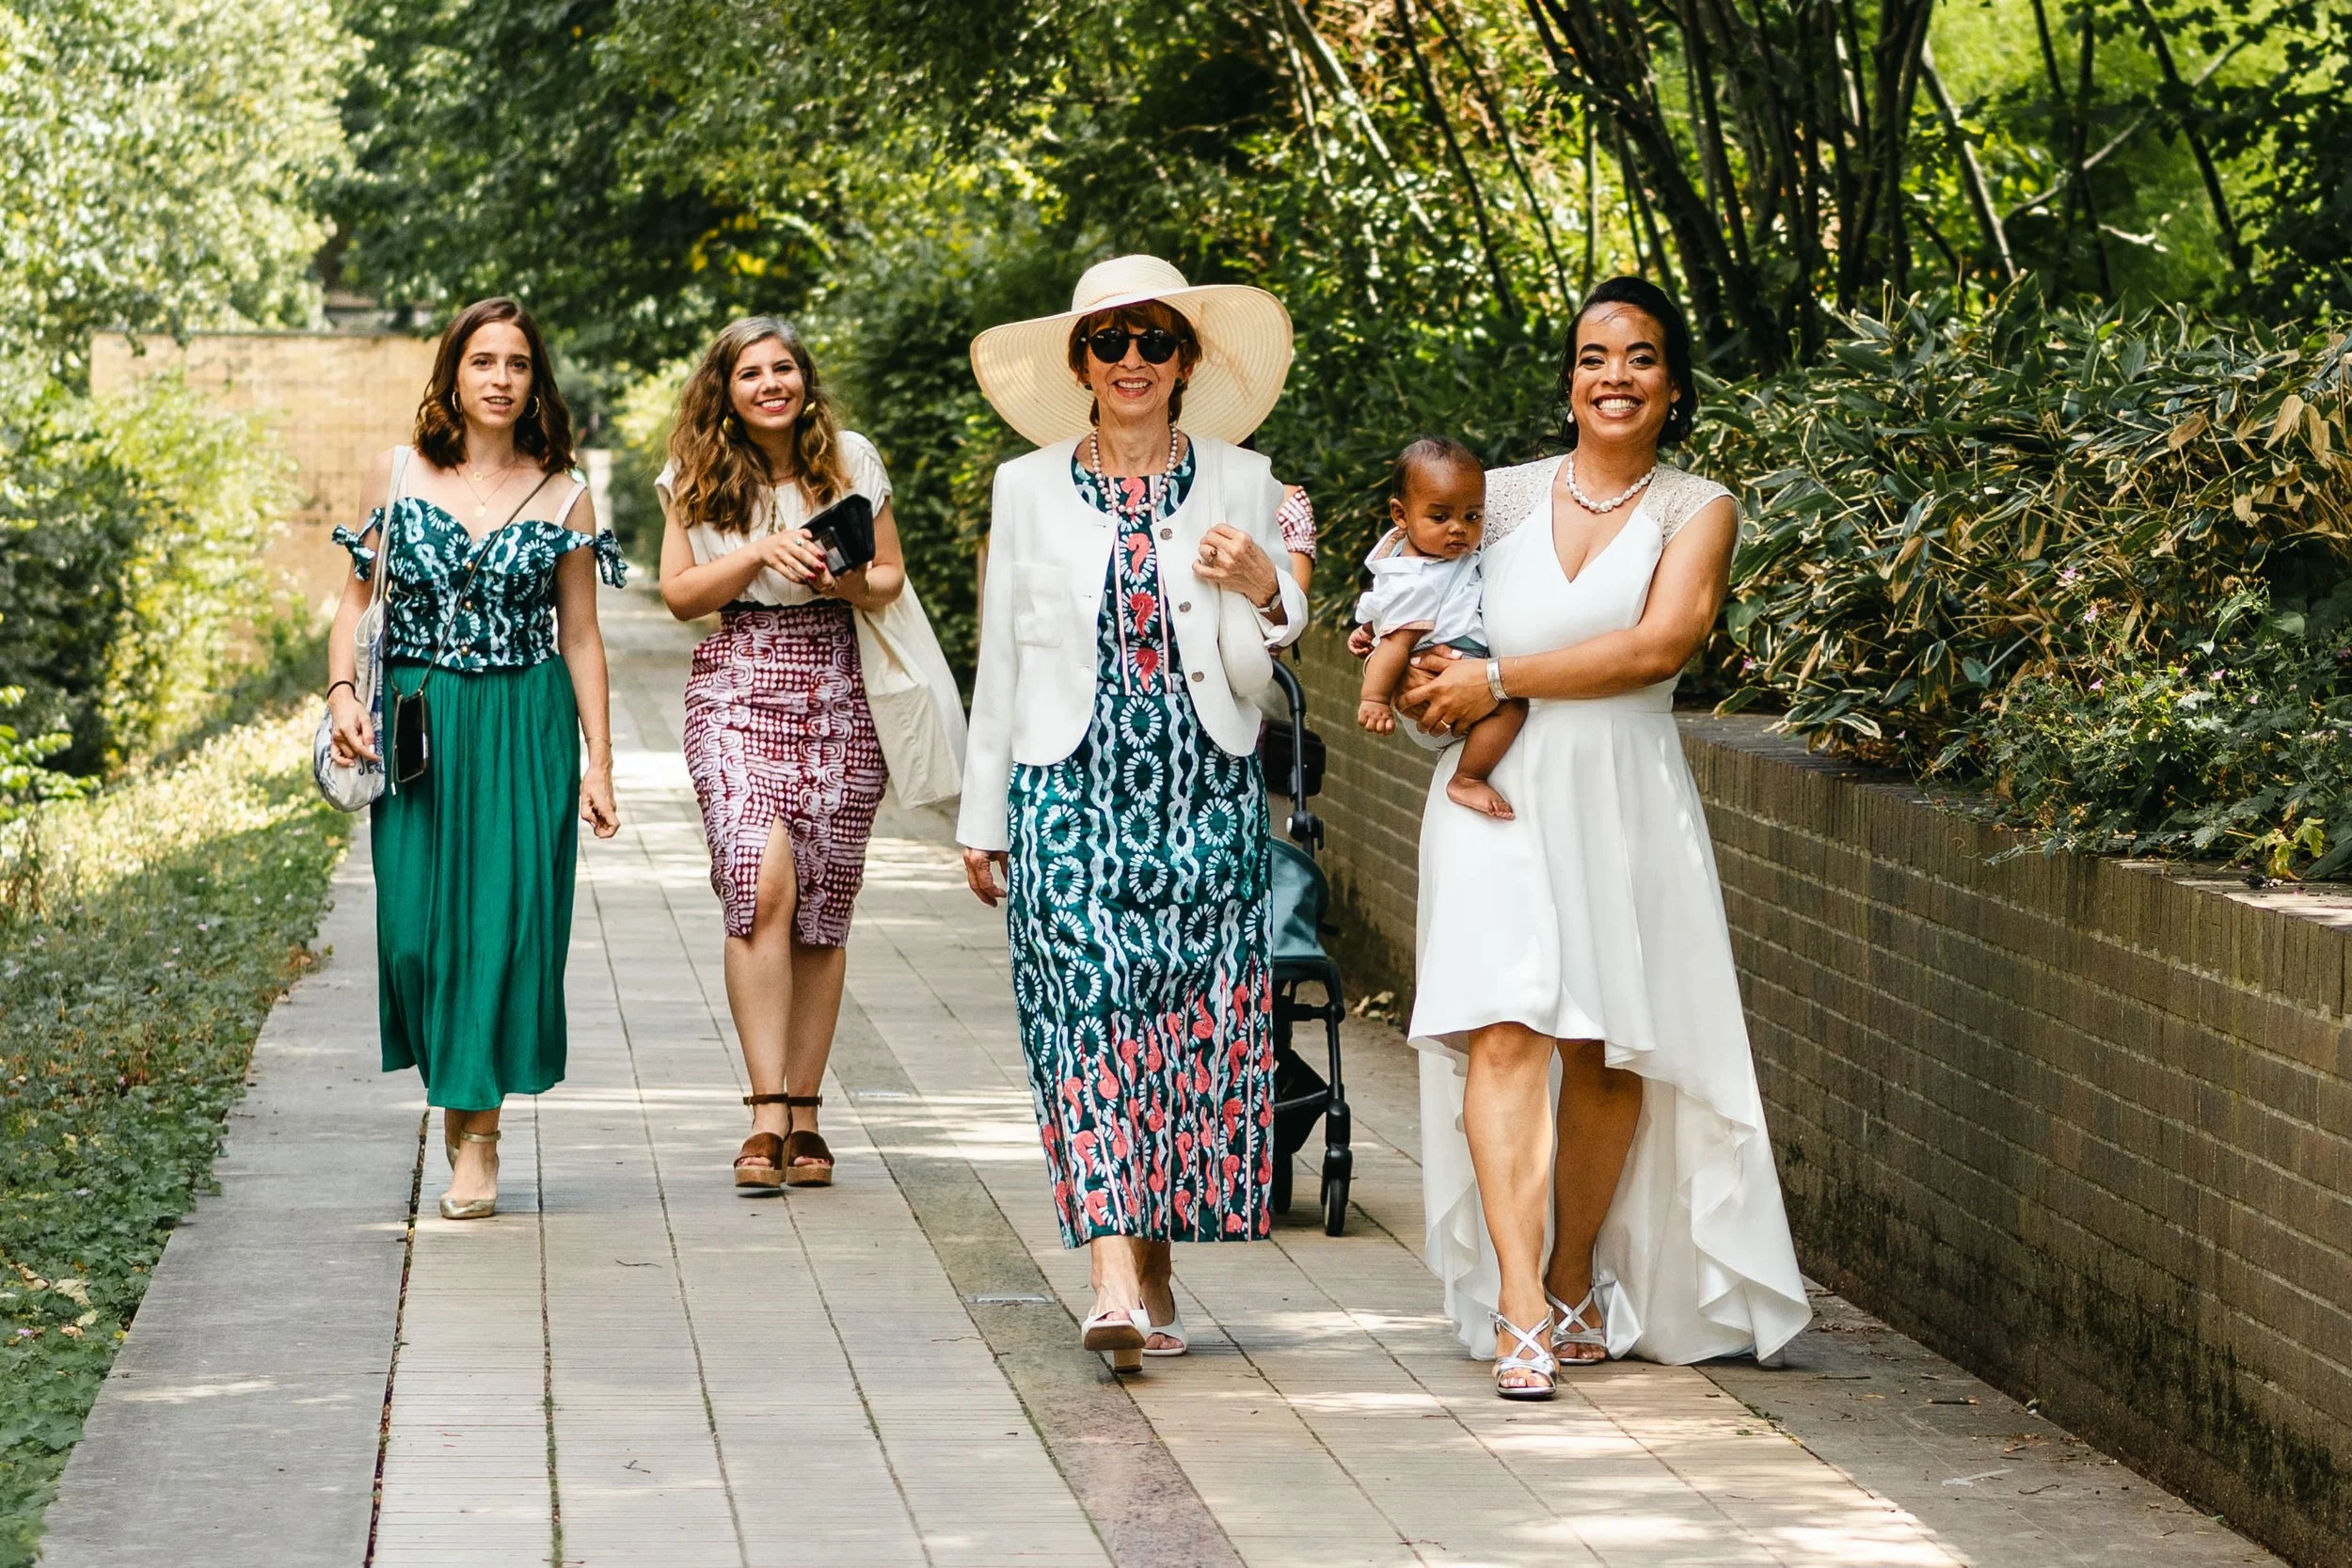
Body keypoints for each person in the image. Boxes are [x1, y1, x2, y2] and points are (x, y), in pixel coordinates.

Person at [1394, 276, 1810, 1398]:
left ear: (1673, 386)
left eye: (1637, 357)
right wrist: (1421, 665)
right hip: (1495, 789)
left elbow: (1656, 646)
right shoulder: (1508, 494)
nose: (1612, 376)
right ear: (1568, 379)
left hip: (1624, 790)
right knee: (1502, 1031)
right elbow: (1417, 586)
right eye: (1591, 356)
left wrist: (1500, 673)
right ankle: (1520, 1305)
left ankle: (1575, 1269)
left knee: (1602, 1046)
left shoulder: (1697, 504)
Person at [961, 255, 1309, 1370]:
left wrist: (1267, 587)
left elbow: (1269, 665)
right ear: (1078, 361)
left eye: (1153, 340)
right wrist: (985, 815)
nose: (1130, 361)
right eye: (1108, 342)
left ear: (1186, 359)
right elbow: (1002, 660)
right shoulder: (1024, 488)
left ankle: (1153, 1267)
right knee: (1087, 1015)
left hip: (1201, 786)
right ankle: (1111, 1273)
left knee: (1176, 1031)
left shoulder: (1244, 481)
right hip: (1065, 786)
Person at [326, 296, 625, 1223]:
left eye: (519, 363)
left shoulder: (564, 488)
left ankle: (479, 1136)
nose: (500, 378)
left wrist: (599, 759)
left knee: (497, 931)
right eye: (484, 360)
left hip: (522, 723)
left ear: (537, 380)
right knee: (416, 937)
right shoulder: (399, 473)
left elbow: (580, 634)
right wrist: (341, 692)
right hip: (418, 718)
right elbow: (351, 601)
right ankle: (459, 1096)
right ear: (453, 370)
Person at [657, 316, 962, 1191]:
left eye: (783, 368)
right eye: (750, 372)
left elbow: (890, 577)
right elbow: (679, 594)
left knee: (825, 901)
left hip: (840, 676)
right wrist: (758, 549)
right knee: (759, 878)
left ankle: (808, 1112)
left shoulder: (852, 459)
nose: (770, 384)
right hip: (738, 680)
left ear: (804, 379)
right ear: (726, 388)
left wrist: (843, 578)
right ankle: (763, 1114)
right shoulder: (694, 472)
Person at [1353, 436, 1526, 819]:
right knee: (1511, 707)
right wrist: (1375, 699)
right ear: (1400, 514)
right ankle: (1468, 777)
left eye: (1472, 517)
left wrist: (1368, 626)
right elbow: (1397, 645)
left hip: (1446, 672)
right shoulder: (1421, 580)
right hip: (1445, 681)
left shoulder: (1409, 556)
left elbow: (1385, 608)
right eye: (1440, 517)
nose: (1458, 530)